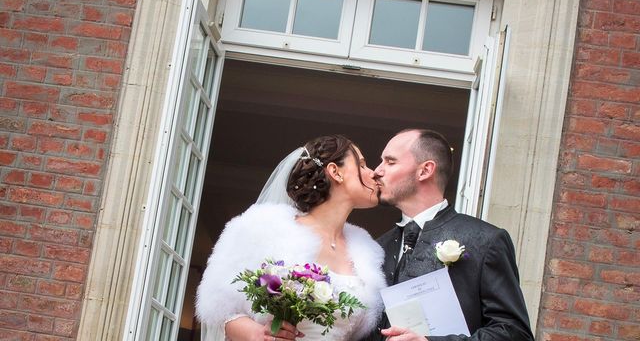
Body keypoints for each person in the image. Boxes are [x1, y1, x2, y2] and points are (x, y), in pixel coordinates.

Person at [196, 134, 387, 341]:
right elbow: (219, 310)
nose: (373, 173)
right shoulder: (263, 230)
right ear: (335, 172)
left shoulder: (366, 254)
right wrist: (257, 334)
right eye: (362, 164)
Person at [371, 128, 534, 341]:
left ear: (425, 170)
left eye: (390, 162)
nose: (377, 171)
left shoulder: (485, 241)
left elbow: (514, 334)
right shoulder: (377, 248)